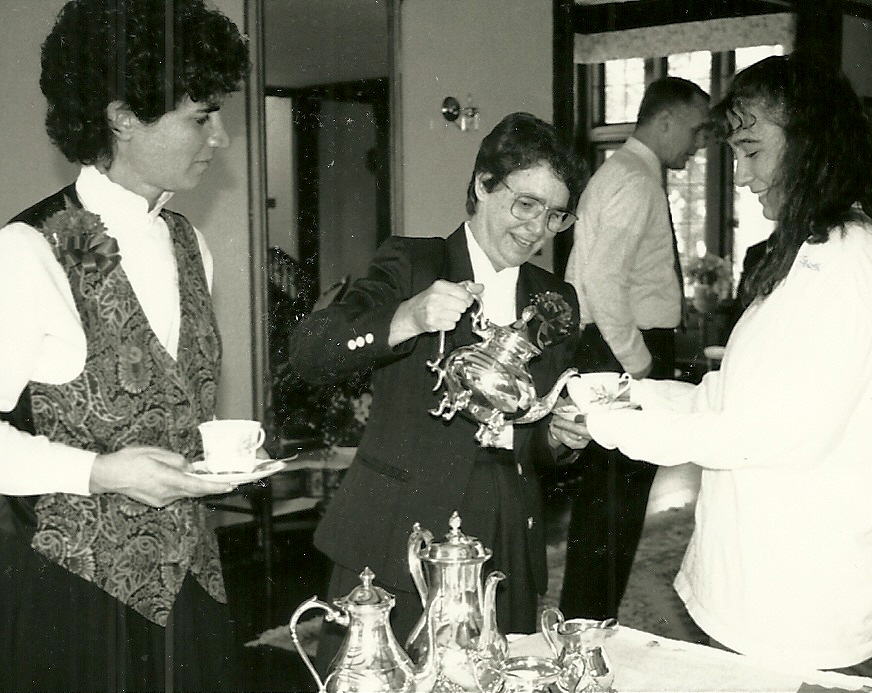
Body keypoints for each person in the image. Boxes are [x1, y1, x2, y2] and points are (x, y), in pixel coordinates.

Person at [555, 54, 872, 674]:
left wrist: (616, 422)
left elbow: (764, 431)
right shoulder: (818, 250)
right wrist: (632, 395)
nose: (745, 177)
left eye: (753, 151)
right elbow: (739, 392)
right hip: (774, 576)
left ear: (811, 144)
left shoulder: (844, 264)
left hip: (805, 599)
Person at [0, 1, 249, 690]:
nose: (221, 137)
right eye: (202, 116)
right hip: (78, 604)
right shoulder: (28, 250)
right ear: (123, 118)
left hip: (193, 594)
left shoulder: (189, 244)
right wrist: (102, 472)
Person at [290, 112, 589, 672]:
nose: (537, 230)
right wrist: (405, 318)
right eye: (526, 204)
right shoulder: (412, 262)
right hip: (401, 534)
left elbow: (537, 443)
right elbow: (310, 354)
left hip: (507, 538)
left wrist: (562, 436)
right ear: (482, 184)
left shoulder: (556, 298)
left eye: (555, 215)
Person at [560, 77, 710, 620]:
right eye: (695, 130)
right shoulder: (632, 179)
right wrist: (640, 365)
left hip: (618, 348)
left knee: (613, 507)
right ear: (665, 121)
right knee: (612, 508)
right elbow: (601, 281)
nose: (697, 145)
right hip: (621, 353)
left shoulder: (632, 174)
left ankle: (592, 622)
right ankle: (589, 628)